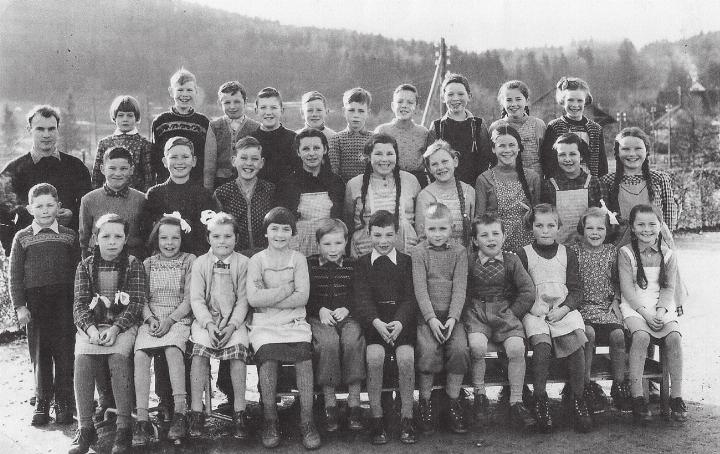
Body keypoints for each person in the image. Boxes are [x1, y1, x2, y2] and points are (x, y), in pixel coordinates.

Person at [69, 214, 146, 454]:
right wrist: (91, 330)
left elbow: (135, 304)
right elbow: (80, 304)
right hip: (92, 326)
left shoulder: (134, 264)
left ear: (125, 239)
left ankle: (124, 427)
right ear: (95, 238)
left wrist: (115, 328)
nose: (112, 241)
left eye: (118, 236)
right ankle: (85, 427)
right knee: (83, 359)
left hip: (122, 325)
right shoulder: (85, 265)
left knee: (118, 358)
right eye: (106, 236)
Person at [246, 207, 321, 450]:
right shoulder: (257, 260)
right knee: (268, 360)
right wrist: (286, 290)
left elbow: (303, 298)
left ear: (293, 233)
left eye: (286, 229)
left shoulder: (297, 259)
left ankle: (307, 421)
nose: (280, 234)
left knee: (304, 361)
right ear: (266, 233)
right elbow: (254, 299)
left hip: (294, 322)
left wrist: (271, 297)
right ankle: (270, 419)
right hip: (265, 323)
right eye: (274, 229)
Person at [9, 183, 79, 426]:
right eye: (39, 206)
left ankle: (63, 400)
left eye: (50, 205)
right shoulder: (22, 237)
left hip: (64, 301)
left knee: (64, 352)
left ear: (58, 207)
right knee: (40, 353)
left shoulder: (69, 236)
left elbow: (79, 272)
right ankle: (42, 400)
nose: (45, 210)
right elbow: (15, 275)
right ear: (30, 208)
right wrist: (20, 306)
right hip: (36, 304)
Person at [518, 204, 592, 433]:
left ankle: (578, 400)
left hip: (562, 311)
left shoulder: (567, 253)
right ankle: (541, 401)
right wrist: (534, 305)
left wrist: (564, 308)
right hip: (535, 311)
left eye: (551, 225)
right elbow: (519, 289)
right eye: (539, 225)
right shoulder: (524, 254)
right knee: (541, 347)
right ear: (532, 228)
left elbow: (577, 290)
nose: (545, 230)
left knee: (576, 347)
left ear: (558, 227)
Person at [463, 214, 535, 430]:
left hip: (504, 312)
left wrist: (513, 312)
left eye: (496, 234)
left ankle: (516, 401)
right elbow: (461, 289)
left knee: (516, 348)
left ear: (504, 237)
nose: (491, 239)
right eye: (484, 235)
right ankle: (480, 396)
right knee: (476, 346)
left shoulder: (512, 261)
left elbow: (527, 291)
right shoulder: (469, 260)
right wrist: (467, 309)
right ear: (475, 240)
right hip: (477, 312)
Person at [185, 211, 252, 440]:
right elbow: (196, 299)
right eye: (216, 236)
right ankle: (196, 410)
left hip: (234, 322)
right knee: (199, 354)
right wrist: (209, 325)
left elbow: (243, 299)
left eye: (227, 236)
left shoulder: (243, 263)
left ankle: (239, 411)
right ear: (208, 239)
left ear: (236, 238)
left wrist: (232, 325)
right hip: (207, 322)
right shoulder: (200, 263)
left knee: (237, 355)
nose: (222, 241)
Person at [353, 210, 417, 445]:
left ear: (397, 234)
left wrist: (400, 321)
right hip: (375, 324)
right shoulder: (361, 264)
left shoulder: (406, 262)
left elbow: (411, 298)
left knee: (406, 358)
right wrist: (376, 322)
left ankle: (407, 417)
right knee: (374, 357)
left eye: (389, 235)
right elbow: (362, 298)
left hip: (401, 324)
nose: (383, 241)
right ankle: (377, 416)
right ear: (369, 233)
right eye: (377, 235)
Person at [618, 204, 686, 422]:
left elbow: (668, 287)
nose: (646, 229)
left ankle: (676, 396)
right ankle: (637, 396)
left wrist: (660, 310)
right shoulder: (626, 252)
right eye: (640, 224)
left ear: (661, 225)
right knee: (641, 337)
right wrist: (646, 315)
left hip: (660, 305)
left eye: (652, 224)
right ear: (632, 227)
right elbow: (627, 289)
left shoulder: (668, 255)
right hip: (635, 305)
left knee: (674, 337)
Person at [132, 215, 195, 446]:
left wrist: (170, 320)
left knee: (172, 349)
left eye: (175, 238)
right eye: (164, 238)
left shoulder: (189, 261)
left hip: (178, 319)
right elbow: (142, 298)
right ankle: (141, 419)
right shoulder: (148, 263)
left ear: (182, 239)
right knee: (140, 355)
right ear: (156, 238)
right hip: (152, 320)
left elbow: (190, 299)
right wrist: (149, 319)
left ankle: (180, 412)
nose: (169, 243)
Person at [411, 203, 469, 435]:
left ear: (452, 228)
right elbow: (420, 289)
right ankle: (425, 402)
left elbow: (460, 288)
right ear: (424, 228)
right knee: (427, 350)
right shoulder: (419, 252)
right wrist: (431, 319)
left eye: (442, 229)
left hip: (452, 317)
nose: (437, 234)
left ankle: (452, 401)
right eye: (432, 229)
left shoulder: (460, 251)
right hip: (428, 317)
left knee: (460, 349)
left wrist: (453, 318)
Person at [0, 105, 91, 252]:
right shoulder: (13, 170)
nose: (46, 134)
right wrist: (13, 247)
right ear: (29, 130)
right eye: (40, 129)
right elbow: (2, 214)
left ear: (58, 129)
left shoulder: (76, 167)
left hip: (69, 251)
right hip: (29, 253)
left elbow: (88, 207)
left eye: (51, 129)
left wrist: (72, 215)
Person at [568, 207, 629, 414]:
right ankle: (585, 386)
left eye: (600, 228)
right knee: (589, 334)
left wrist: (617, 300)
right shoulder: (574, 251)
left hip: (605, 305)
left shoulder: (612, 251)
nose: (595, 233)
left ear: (607, 230)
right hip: (582, 308)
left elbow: (619, 280)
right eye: (590, 228)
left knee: (618, 335)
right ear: (582, 229)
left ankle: (619, 385)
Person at [306, 219, 365, 432]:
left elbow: (360, 294)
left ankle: (354, 402)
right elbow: (307, 296)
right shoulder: (310, 264)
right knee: (328, 344)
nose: (333, 249)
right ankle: (329, 403)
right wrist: (319, 309)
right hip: (319, 317)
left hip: (347, 317)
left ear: (346, 242)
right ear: (318, 244)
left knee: (353, 341)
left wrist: (347, 308)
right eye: (327, 244)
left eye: (338, 243)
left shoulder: (353, 264)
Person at [344, 133, 420, 257]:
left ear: (396, 156)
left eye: (390, 154)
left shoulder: (411, 180)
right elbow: (348, 221)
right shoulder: (354, 184)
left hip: (406, 255)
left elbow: (419, 223)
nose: (384, 159)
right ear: (368, 157)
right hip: (364, 255)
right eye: (378, 154)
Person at [277, 128, 345, 256]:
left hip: (330, 245)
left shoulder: (336, 182)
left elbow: (340, 219)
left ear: (325, 149)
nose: (312, 153)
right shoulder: (287, 184)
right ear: (298, 152)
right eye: (306, 149)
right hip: (297, 247)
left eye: (316, 148)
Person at [145, 137, 216, 257]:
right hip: (164, 258)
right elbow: (149, 232)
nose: (179, 162)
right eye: (173, 157)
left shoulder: (204, 194)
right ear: (164, 161)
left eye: (185, 157)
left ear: (194, 161)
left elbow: (207, 233)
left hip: (195, 258)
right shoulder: (154, 194)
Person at [475, 125, 540, 253]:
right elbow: (480, 220)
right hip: (497, 247)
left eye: (512, 145)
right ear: (493, 149)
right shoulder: (484, 179)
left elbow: (540, 216)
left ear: (519, 147)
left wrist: (532, 213)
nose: (507, 150)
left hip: (528, 248)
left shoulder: (532, 177)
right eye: (502, 146)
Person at [601, 127, 678, 232]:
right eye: (625, 149)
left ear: (646, 151)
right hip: (620, 244)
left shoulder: (660, 179)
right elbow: (604, 218)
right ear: (617, 152)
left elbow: (669, 216)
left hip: (654, 243)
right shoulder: (607, 181)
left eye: (638, 148)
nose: (632, 154)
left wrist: (665, 242)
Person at [426, 73, 493, 185]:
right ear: (443, 97)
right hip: (444, 188)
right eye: (450, 94)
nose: (455, 98)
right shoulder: (437, 127)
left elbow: (485, 161)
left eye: (461, 94)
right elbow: (430, 162)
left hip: (473, 189)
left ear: (469, 96)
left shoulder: (478, 125)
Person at [213, 136, 276, 256]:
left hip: (266, 257)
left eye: (254, 159)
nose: (249, 163)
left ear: (261, 163)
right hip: (234, 258)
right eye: (243, 158)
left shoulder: (270, 190)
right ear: (233, 161)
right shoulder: (222, 193)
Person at [79, 147, 146, 259]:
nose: (118, 173)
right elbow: (84, 239)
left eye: (123, 168)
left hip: (133, 263)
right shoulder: (88, 200)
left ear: (132, 170)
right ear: (102, 169)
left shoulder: (141, 199)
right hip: (99, 263)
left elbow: (146, 238)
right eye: (112, 168)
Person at [541, 133, 608, 243]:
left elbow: (605, 218)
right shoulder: (549, 185)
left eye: (572, 154)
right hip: (559, 245)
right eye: (562, 155)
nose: (567, 159)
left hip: (589, 243)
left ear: (581, 156)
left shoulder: (595, 183)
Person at [541, 77, 607, 179]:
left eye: (579, 101)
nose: (575, 105)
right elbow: (548, 163)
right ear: (563, 101)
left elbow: (602, 164)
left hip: (590, 184)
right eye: (570, 100)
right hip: (562, 186)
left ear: (585, 101)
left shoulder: (595, 129)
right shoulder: (554, 126)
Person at [151, 68, 209, 183]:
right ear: (171, 92)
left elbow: (205, 157)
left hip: (195, 182)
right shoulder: (160, 122)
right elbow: (155, 156)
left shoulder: (203, 122)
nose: (184, 94)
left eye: (189, 90)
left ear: (196, 91)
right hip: (167, 182)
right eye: (180, 90)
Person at [414, 140, 475, 248]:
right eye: (434, 164)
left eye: (445, 161)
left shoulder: (469, 191)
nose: (441, 167)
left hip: (465, 256)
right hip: (436, 256)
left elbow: (476, 230)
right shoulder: (425, 195)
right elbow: (422, 237)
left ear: (455, 161)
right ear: (429, 169)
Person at [203, 81, 261, 190]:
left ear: (245, 102)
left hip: (248, 183)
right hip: (220, 183)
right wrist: (208, 191)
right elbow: (209, 165)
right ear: (219, 104)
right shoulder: (214, 126)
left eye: (237, 102)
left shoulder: (255, 127)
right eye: (227, 102)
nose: (232, 106)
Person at [92, 95, 154, 191]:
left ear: (136, 118)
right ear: (114, 117)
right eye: (121, 115)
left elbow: (149, 179)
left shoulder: (144, 144)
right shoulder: (104, 143)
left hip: (136, 199)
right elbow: (96, 178)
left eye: (130, 115)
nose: (125, 119)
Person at [489, 80, 546, 178]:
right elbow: (492, 159)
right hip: (505, 182)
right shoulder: (496, 127)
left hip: (534, 182)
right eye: (509, 100)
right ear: (502, 102)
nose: (513, 104)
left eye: (518, 99)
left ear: (527, 101)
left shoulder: (538, 125)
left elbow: (545, 157)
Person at [374, 84, 429, 184]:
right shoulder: (382, 131)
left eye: (410, 102)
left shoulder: (423, 132)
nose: (404, 105)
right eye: (400, 101)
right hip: (388, 181)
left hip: (417, 182)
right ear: (392, 106)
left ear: (417, 107)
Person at [250, 87, 298, 185]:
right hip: (256, 196)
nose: (268, 112)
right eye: (263, 108)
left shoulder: (294, 139)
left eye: (273, 107)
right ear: (256, 110)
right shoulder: (249, 140)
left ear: (282, 110)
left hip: (286, 195)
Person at [328, 87, 373, 182]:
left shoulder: (374, 139)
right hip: (345, 190)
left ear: (368, 113)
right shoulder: (336, 140)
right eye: (351, 110)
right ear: (344, 111)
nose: (356, 115)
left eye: (361, 111)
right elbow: (334, 171)